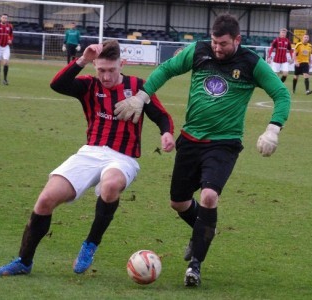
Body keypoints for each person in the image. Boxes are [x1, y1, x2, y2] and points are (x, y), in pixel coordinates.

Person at [114, 13, 291, 287]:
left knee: (209, 196)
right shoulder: (199, 51)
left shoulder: (251, 63)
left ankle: (194, 266)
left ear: (237, 40)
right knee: (178, 202)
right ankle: (205, 229)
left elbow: (281, 94)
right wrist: (142, 96)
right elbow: (167, 69)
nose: (217, 48)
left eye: (223, 43)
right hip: (190, 139)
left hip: (224, 143)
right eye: (214, 42)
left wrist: (273, 129)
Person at [0, 40, 175, 276]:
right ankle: (24, 261)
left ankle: (90, 244)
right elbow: (57, 84)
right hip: (90, 152)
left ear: (122, 63)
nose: (106, 76)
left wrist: (167, 133)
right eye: (101, 70)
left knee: (109, 186)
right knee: (45, 199)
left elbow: (161, 116)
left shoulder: (138, 87)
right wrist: (82, 60)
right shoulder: (89, 85)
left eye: (111, 70)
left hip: (123, 158)